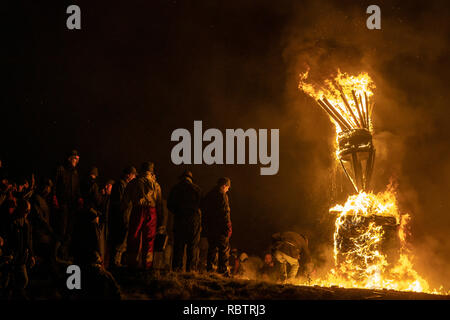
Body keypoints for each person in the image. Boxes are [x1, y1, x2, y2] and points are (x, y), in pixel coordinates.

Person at [123, 162, 163, 269]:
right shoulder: (156, 185)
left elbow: (125, 201)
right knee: (149, 239)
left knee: (134, 236)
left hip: (137, 211)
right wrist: (161, 222)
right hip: (152, 212)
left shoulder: (133, 183)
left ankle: (132, 264)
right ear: (151, 172)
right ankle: (147, 265)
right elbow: (159, 204)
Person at [167, 170, 202, 272]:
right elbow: (202, 205)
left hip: (180, 219)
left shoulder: (175, 189)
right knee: (193, 246)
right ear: (190, 179)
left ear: (182, 178)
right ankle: (190, 270)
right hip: (193, 221)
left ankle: (177, 269)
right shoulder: (197, 189)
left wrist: (178, 211)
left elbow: (169, 205)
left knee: (178, 245)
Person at [54, 150, 82, 260]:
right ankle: (55, 254)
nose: (76, 161)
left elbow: (77, 188)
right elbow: (55, 185)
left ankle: (63, 254)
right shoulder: (61, 170)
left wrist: (79, 197)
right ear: (69, 158)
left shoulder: (75, 173)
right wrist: (54, 197)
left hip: (72, 205)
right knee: (62, 230)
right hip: (63, 204)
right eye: (75, 158)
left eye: (77, 159)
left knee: (69, 232)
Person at [4, 199, 35, 299]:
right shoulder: (12, 222)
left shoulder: (27, 223)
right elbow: (8, 239)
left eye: (29, 211)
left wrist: (31, 255)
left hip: (21, 258)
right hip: (12, 258)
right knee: (8, 283)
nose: (28, 213)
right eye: (26, 210)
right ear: (20, 209)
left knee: (23, 280)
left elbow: (29, 241)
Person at [202, 177, 232, 276]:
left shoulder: (209, 194)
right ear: (224, 186)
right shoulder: (222, 195)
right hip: (220, 228)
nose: (228, 189)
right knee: (224, 249)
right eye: (228, 187)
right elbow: (225, 212)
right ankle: (222, 271)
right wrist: (227, 226)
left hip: (210, 227)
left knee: (212, 248)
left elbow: (204, 210)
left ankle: (210, 270)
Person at [108, 166, 137, 267]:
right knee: (119, 240)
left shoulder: (125, 185)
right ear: (128, 175)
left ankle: (117, 262)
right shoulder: (120, 185)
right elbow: (121, 203)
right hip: (120, 217)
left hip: (124, 216)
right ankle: (114, 262)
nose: (134, 177)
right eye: (133, 175)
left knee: (122, 240)